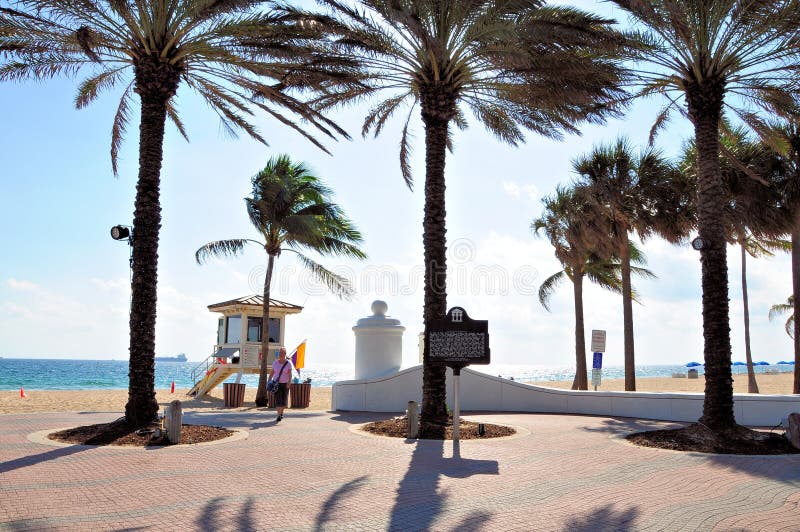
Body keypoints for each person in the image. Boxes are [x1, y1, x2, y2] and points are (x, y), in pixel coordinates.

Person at [271, 347, 294, 422]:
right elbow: (272, 373)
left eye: (282, 353)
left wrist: (289, 382)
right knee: (278, 400)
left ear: (285, 354)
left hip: (285, 384)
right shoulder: (275, 363)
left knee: (284, 401)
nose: (280, 354)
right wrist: (268, 381)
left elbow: (290, 374)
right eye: (279, 353)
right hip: (276, 384)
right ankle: (278, 415)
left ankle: (281, 413)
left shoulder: (288, 364)